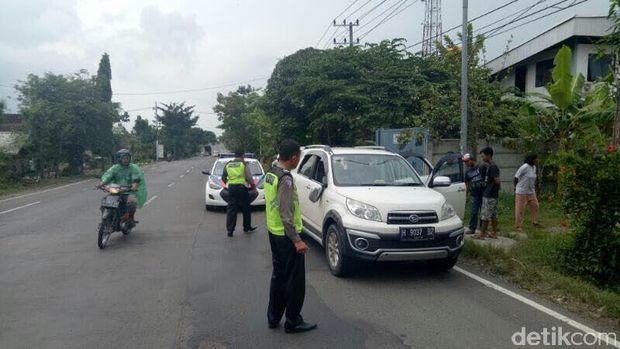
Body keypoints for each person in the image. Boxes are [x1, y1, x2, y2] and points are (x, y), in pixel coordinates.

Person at [265, 139, 317, 333]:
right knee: (294, 281)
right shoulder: (285, 179)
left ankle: (273, 317)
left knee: (278, 277)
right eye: (299, 157)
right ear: (294, 157)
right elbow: (286, 214)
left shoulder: (271, 173)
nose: (299, 160)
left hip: (274, 232)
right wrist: (297, 240)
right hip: (287, 237)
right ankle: (293, 320)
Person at [100, 149, 147, 226]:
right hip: (116, 191)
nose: (126, 160)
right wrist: (101, 183)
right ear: (119, 159)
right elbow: (108, 176)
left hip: (128, 191)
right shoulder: (115, 168)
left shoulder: (133, 168)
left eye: (127, 158)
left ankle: (130, 218)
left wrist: (134, 186)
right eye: (124, 158)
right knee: (104, 202)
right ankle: (106, 219)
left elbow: (135, 179)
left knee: (132, 202)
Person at [222, 151, 257, 237]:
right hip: (241, 188)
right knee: (246, 208)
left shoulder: (228, 164)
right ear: (242, 156)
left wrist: (229, 182)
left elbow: (223, 178)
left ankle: (230, 230)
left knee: (231, 210)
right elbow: (249, 177)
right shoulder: (243, 164)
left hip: (231, 189)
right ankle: (246, 227)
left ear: (234, 156)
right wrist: (254, 188)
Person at [477, 147, 500, 240]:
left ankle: (482, 234)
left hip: (490, 194)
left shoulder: (493, 166)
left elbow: (497, 181)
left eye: (483, 156)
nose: (482, 158)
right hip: (490, 193)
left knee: (485, 214)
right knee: (493, 214)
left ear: (489, 155)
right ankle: (494, 233)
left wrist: (491, 189)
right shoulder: (488, 166)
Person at [514, 154, 540, 232]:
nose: (537, 160)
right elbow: (515, 177)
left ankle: (535, 222)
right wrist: (516, 187)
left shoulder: (534, 167)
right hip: (521, 191)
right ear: (532, 159)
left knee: (535, 206)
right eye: (536, 159)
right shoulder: (524, 167)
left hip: (531, 191)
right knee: (520, 209)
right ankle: (518, 226)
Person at [463, 153, 486, 235]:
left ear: (472, 160)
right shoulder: (467, 172)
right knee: (473, 212)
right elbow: (467, 184)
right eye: (464, 162)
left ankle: (483, 229)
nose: (466, 163)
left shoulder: (481, 167)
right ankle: (472, 228)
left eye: (467, 161)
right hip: (473, 194)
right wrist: (466, 195)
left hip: (483, 193)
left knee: (483, 212)